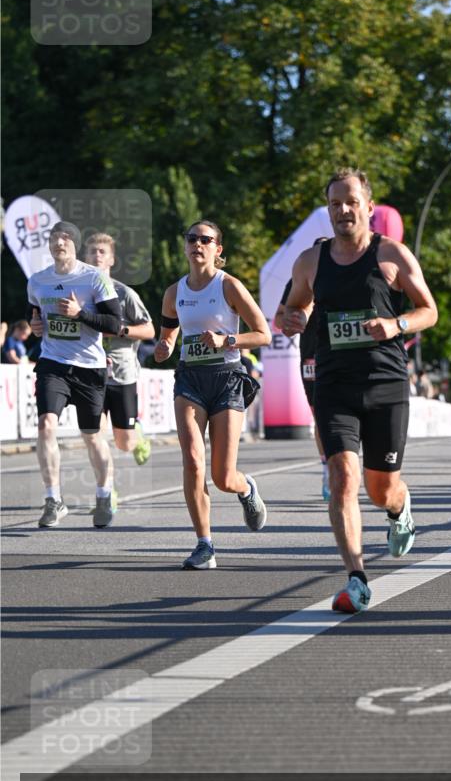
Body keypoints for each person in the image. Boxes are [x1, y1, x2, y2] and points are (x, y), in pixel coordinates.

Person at [282, 168, 438, 613]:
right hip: (334, 384)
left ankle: (399, 508)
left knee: (380, 489)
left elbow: (429, 310)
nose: (343, 210)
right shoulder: (310, 261)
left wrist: (396, 323)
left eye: (351, 202)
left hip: (385, 383)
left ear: (368, 207)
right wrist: (292, 319)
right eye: (335, 204)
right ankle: (357, 579)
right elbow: (291, 311)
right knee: (342, 478)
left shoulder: (392, 254)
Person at [154, 219, 271, 569]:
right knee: (192, 459)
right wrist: (163, 347)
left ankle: (245, 488)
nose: (197, 244)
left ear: (217, 249)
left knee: (223, 477)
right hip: (190, 378)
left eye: (205, 239)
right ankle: (204, 545)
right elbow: (168, 337)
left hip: (227, 378)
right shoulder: (174, 293)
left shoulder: (229, 286)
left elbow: (263, 334)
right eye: (192, 238)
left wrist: (227, 340)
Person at [27, 221, 121, 528]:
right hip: (52, 362)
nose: (59, 243)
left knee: (92, 436)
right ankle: (53, 499)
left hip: (89, 367)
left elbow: (114, 323)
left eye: (65, 238)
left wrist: (79, 314)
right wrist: (35, 326)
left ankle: (104, 495)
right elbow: (34, 315)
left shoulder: (93, 278)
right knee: (46, 425)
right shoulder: (37, 281)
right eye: (54, 238)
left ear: (75, 244)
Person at [85, 233, 154, 468]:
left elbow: (149, 330)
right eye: (92, 251)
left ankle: (137, 435)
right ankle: (106, 486)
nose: (97, 255)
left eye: (102, 251)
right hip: (90, 373)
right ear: (85, 258)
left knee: (124, 442)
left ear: (112, 259)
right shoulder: (79, 294)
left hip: (122, 373)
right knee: (94, 435)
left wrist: (119, 330)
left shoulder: (124, 294)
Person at [274, 236, 331, 500]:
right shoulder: (299, 278)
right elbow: (279, 319)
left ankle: (347, 460)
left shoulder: (345, 274)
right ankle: (328, 467)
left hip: (344, 354)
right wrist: (292, 319)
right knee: (320, 414)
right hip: (311, 355)